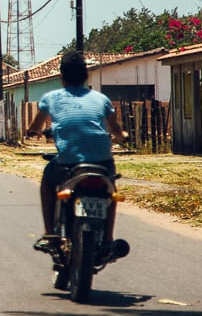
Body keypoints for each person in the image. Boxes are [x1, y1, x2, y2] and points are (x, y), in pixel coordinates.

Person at [26, 51, 128, 252]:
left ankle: (50, 234)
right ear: (85, 76)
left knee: (47, 181)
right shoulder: (101, 99)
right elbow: (116, 130)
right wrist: (123, 136)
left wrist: (33, 132)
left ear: (62, 77)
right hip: (101, 162)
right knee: (110, 192)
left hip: (68, 164)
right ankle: (107, 239)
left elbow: (35, 127)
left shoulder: (51, 98)